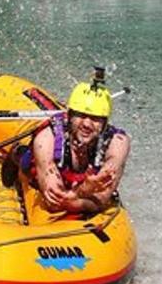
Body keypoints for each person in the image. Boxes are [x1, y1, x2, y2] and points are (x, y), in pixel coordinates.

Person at [24, 78, 131, 215]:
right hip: (34, 163)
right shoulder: (46, 138)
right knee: (26, 161)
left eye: (95, 118)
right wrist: (85, 190)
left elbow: (102, 198)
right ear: (69, 116)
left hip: (75, 183)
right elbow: (54, 202)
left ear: (105, 123)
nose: (87, 124)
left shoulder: (118, 142)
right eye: (81, 115)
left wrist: (78, 197)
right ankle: (16, 153)